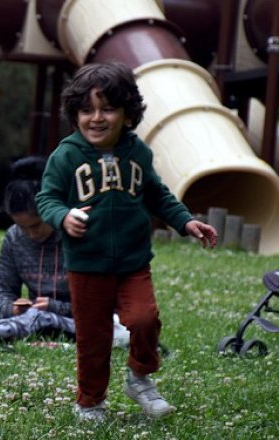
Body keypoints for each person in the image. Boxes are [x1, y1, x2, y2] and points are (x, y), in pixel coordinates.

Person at [35, 61, 217, 422]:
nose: (96, 118)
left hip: (133, 261)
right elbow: (46, 199)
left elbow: (158, 195)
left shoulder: (138, 152)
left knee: (145, 318)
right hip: (87, 265)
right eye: (86, 110)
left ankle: (140, 378)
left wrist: (186, 221)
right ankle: (90, 402)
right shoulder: (66, 155)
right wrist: (63, 216)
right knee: (93, 339)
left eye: (108, 108)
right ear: (75, 114)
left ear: (128, 113)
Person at [0, 157, 130, 347]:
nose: (31, 234)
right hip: (36, 319)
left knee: (40, 318)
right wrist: (13, 309)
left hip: (97, 325)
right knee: (35, 318)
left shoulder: (84, 234)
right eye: (22, 227)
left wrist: (54, 307)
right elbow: (3, 291)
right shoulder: (14, 238)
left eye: (36, 225)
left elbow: (103, 303)